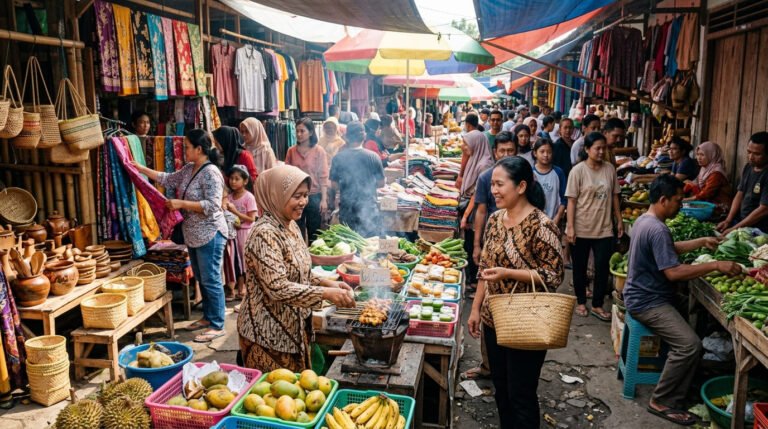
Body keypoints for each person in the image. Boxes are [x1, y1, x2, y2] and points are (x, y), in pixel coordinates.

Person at [623, 174, 740, 426]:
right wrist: (715, 265)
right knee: (690, 345)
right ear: (663, 200)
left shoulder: (646, 220)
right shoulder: (657, 228)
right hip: (647, 302)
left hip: (641, 294)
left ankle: (680, 381)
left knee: (688, 331)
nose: (680, 205)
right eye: (677, 200)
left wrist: (700, 241)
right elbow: (673, 273)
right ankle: (662, 400)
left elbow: (668, 248)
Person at [467, 156, 564, 429]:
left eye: (500, 185)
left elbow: (553, 276)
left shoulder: (542, 226)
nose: (494, 190)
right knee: (501, 387)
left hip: (528, 321)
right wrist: (475, 309)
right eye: (493, 185)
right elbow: (486, 267)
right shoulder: (496, 220)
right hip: (493, 318)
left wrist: (509, 273)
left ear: (521, 186)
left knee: (521, 393)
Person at [237, 165, 356, 372]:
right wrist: (326, 293)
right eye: (296, 196)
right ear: (277, 195)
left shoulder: (290, 225)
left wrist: (330, 283)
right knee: (277, 399)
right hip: (267, 337)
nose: (303, 202)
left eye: (305, 196)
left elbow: (301, 272)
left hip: (294, 331)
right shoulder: (264, 234)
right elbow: (278, 288)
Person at [134, 129, 228, 343]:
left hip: (210, 233)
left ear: (199, 149)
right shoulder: (188, 169)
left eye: (186, 147)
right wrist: (139, 169)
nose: (183, 150)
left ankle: (217, 324)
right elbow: (166, 179)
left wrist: (181, 204)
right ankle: (208, 317)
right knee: (202, 278)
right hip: (193, 234)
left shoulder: (211, 172)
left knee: (211, 279)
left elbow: (213, 206)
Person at [460, 131, 518, 381]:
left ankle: (510, 366)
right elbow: (481, 211)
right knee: (488, 312)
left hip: (517, 261)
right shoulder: (486, 178)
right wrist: (476, 244)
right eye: (501, 151)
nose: (505, 155)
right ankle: (488, 365)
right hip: (492, 249)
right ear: (495, 152)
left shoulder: (523, 176)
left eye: (510, 150)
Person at [566, 132, 623, 321]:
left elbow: (615, 196)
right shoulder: (578, 171)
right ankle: (581, 301)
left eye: (603, 148)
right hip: (582, 227)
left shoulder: (609, 169)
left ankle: (597, 305)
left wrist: (619, 219)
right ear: (587, 149)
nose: (601, 152)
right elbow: (572, 201)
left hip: (604, 228)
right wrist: (570, 227)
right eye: (597, 148)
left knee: (602, 268)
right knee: (580, 267)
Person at [330, 122, 385, 238]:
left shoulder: (338, 158)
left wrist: (347, 185)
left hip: (347, 209)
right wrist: (367, 184)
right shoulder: (373, 156)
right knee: (369, 246)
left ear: (347, 137)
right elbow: (381, 183)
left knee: (350, 244)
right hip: (369, 209)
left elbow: (334, 185)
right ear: (364, 136)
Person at [458, 125, 494, 290]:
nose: (463, 147)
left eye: (466, 143)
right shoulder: (475, 158)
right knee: (470, 243)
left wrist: (465, 216)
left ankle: (475, 282)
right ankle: (473, 279)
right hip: (471, 208)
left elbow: (477, 196)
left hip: (476, 211)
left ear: (476, 144)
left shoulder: (484, 165)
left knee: (475, 244)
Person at [285, 117, 329, 243]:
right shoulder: (291, 151)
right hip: (295, 196)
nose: (298, 134)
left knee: (314, 233)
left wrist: (324, 200)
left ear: (310, 132)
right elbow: (287, 174)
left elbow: (323, 176)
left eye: (302, 131)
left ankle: (313, 260)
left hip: (314, 196)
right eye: (297, 131)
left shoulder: (319, 151)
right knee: (295, 230)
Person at [719, 132, 768, 234]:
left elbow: (763, 209)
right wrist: (728, 220)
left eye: (757, 154)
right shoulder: (748, 167)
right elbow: (739, 194)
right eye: (749, 152)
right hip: (742, 222)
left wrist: (734, 229)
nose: (751, 157)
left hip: (761, 229)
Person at [225, 165, 257, 304]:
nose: (233, 181)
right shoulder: (229, 197)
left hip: (245, 232)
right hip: (232, 234)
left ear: (245, 181)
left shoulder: (249, 197)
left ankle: (245, 288)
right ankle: (235, 288)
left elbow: (252, 219)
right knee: (235, 262)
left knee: (245, 261)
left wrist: (235, 212)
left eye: (237, 179)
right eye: (231, 178)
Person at [683, 141, 730, 215]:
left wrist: (686, 200)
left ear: (711, 155)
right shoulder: (705, 168)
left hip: (720, 208)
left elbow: (707, 193)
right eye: (697, 154)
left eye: (702, 155)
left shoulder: (716, 173)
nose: (698, 158)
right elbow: (696, 182)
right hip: (707, 203)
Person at [532, 139, 566, 224]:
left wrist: (558, 217)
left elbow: (564, 198)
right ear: (535, 153)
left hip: (554, 220)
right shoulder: (530, 173)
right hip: (534, 221)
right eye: (542, 152)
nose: (546, 155)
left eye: (549, 152)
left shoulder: (558, 172)